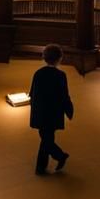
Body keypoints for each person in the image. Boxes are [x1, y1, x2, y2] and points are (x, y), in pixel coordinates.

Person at [28, 44, 73, 175]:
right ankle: (60, 156)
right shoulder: (60, 75)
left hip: (40, 112)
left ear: (44, 57)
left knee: (45, 138)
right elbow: (64, 95)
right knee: (47, 139)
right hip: (53, 113)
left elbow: (32, 93)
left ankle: (41, 168)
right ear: (60, 58)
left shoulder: (38, 73)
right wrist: (69, 110)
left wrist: (33, 109)